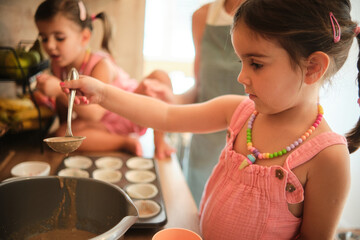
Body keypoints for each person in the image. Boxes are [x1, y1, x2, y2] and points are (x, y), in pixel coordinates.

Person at [61, 0, 360, 238]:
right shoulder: (240, 113)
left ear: (312, 68)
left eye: (256, 64)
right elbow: (166, 115)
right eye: (242, 62)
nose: (241, 76)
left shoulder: (327, 158)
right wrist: (102, 93)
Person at [34, 0, 175, 158]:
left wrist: (59, 92)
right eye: (44, 38)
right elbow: (67, 109)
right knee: (61, 135)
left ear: (85, 37)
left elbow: (95, 113)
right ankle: (124, 142)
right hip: (104, 124)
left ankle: (160, 140)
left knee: (159, 76)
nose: (50, 46)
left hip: (130, 112)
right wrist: (64, 121)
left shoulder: (100, 64)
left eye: (59, 38)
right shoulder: (58, 65)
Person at [142, 0, 246, 206]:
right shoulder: (202, 17)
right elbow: (200, 88)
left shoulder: (272, 13)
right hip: (205, 148)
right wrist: (173, 100)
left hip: (250, 150)